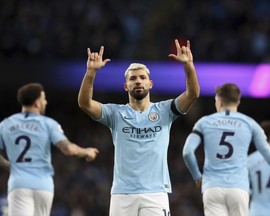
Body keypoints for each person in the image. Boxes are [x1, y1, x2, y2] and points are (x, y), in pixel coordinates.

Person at [78, 39, 200, 216]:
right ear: (126, 86)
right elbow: (85, 104)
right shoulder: (115, 114)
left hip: (156, 192)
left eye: (143, 78)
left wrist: (188, 65)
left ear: (150, 84)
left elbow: (193, 94)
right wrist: (91, 72)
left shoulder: (166, 110)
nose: (138, 81)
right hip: (122, 193)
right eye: (133, 78)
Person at [182, 83, 270, 216]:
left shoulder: (204, 122)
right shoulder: (250, 124)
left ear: (219, 101)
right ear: (238, 101)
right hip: (238, 188)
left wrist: (197, 176)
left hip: (212, 187)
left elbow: (187, 152)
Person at [0, 83, 100, 216]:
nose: (45, 102)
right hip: (43, 185)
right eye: (43, 99)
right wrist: (86, 151)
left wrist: (9, 165)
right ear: (37, 103)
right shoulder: (48, 124)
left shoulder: (6, 124)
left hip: (19, 184)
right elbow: (69, 149)